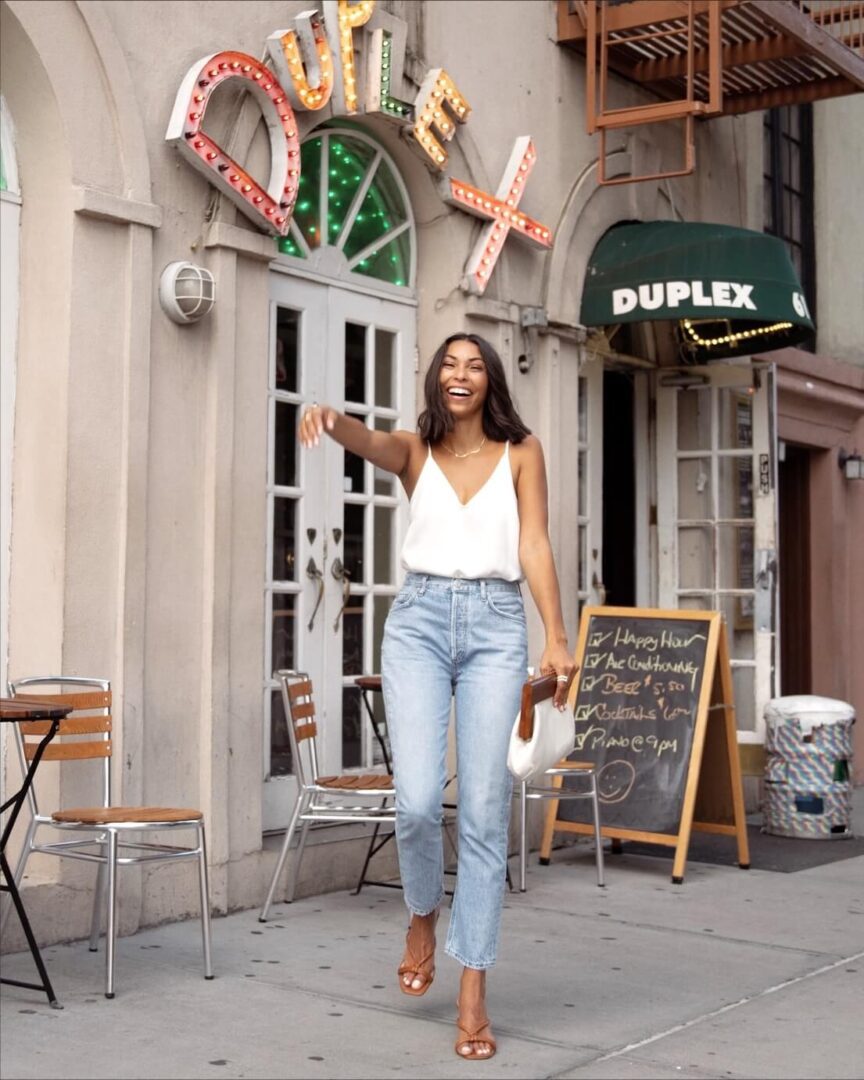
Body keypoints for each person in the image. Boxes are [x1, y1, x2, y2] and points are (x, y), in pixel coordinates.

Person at [299, 332, 573, 1061]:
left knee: (484, 813)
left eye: (474, 365)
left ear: (489, 382)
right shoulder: (416, 452)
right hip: (417, 623)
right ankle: (422, 914)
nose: (461, 375)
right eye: (449, 365)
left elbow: (536, 544)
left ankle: (473, 994)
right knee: (417, 801)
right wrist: (331, 417)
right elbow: (371, 442)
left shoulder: (522, 453)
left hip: (496, 625)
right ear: (435, 380)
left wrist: (558, 636)